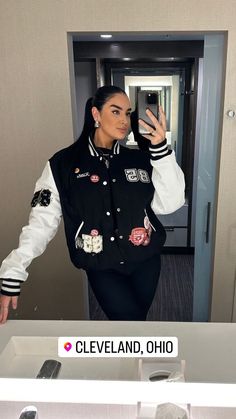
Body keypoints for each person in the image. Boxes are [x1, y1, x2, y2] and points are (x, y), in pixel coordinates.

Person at [0, 85, 185, 324]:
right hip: (101, 265)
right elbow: (41, 223)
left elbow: (170, 203)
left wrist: (160, 150)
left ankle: (129, 361)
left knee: (135, 325)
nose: (124, 121)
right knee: (131, 323)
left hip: (146, 261)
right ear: (96, 114)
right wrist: (13, 271)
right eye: (115, 111)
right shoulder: (63, 165)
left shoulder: (141, 159)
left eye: (128, 113)